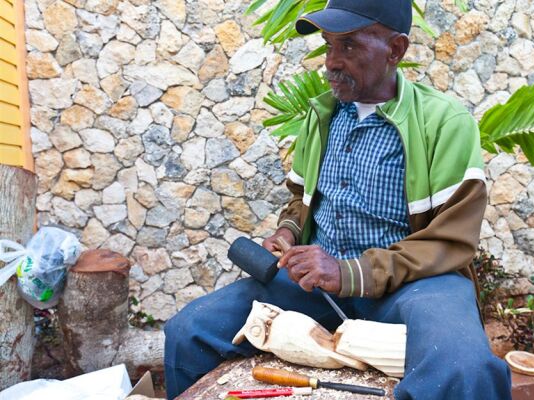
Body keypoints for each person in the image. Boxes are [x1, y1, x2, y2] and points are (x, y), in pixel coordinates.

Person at [164, 1, 512, 398]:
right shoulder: (323, 114)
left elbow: (451, 242)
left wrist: (350, 272)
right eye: (329, 46)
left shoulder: (446, 122)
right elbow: (302, 198)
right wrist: (289, 231)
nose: (331, 61)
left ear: (395, 50)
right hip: (317, 285)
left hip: (415, 284)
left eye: (348, 47)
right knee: (188, 331)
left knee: (463, 368)